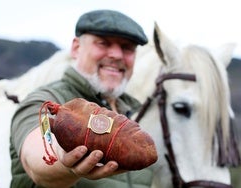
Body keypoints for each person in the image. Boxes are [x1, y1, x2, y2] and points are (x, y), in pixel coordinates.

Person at [10, 9, 153, 188]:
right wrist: (63, 160)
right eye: (103, 43)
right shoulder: (45, 100)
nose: (117, 55)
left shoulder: (136, 113)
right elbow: (35, 160)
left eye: (127, 47)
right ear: (76, 48)